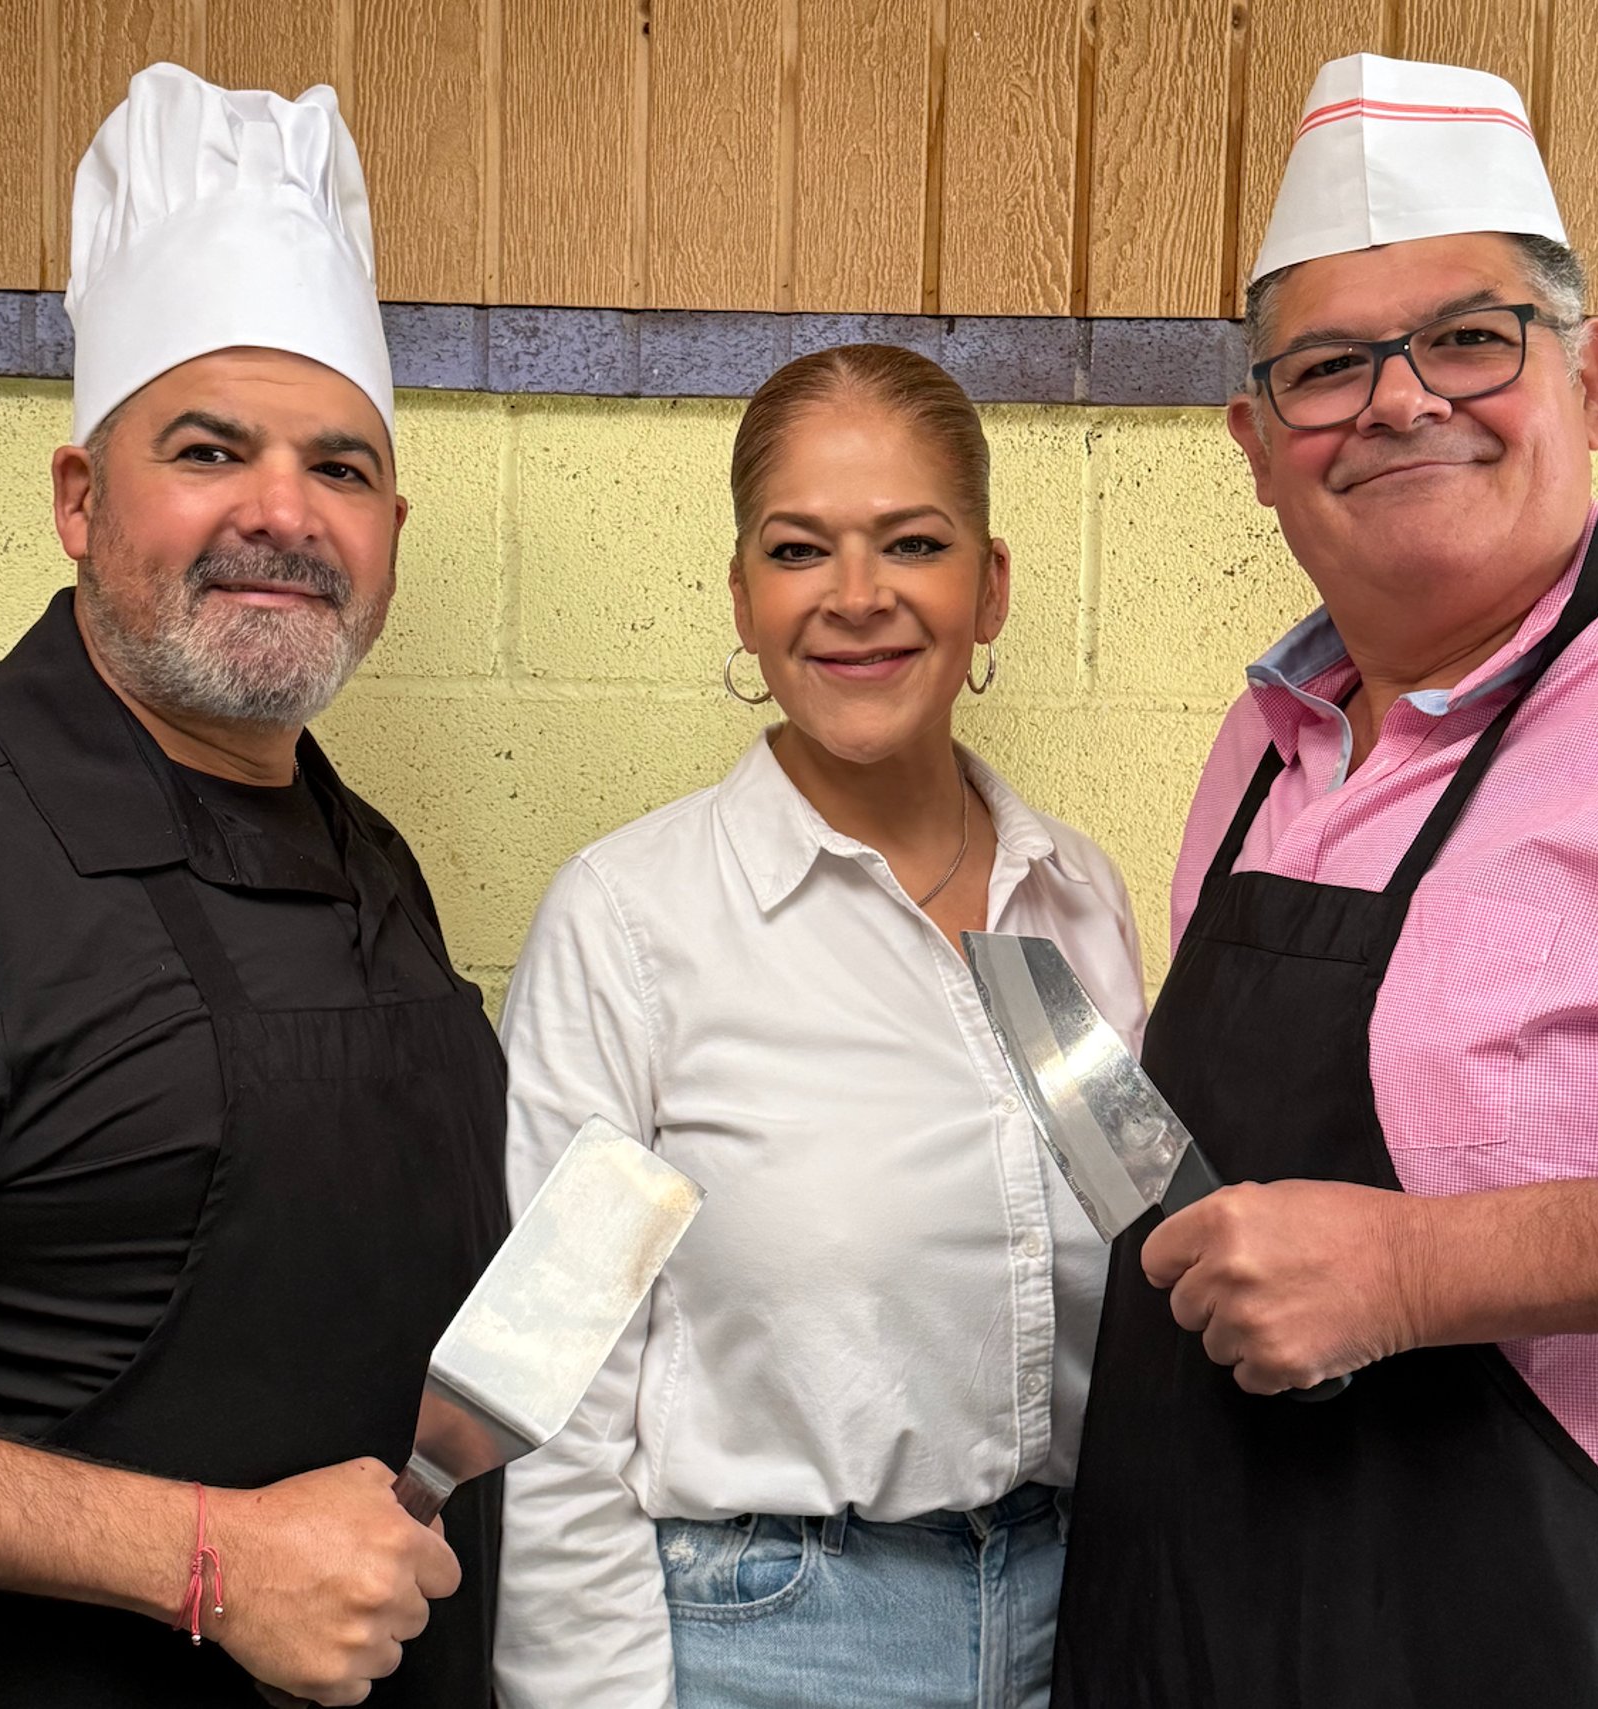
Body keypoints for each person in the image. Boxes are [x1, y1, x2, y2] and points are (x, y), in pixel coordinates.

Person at [1051, 51, 1598, 1709]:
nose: (1400, 400)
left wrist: (1416, 1271)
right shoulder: (1263, 748)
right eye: (1327, 367)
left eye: (1469, 337)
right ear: (1256, 444)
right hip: (1250, 1633)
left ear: (1593, 380)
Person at [0, 64, 508, 1707]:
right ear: (80, 500)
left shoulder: (366, 859)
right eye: (209, 448)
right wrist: (206, 1560)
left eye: (342, 467)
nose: (281, 515)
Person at [490, 343, 1147, 1709]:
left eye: (913, 542)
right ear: (743, 595)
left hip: (1076, 1627)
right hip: (766, 1650)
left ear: (992, 586)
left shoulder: (1074, 900)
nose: (858, 598)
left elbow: (1138, 1253)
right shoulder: (634, 926)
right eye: (801, 550)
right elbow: (551, 1386)